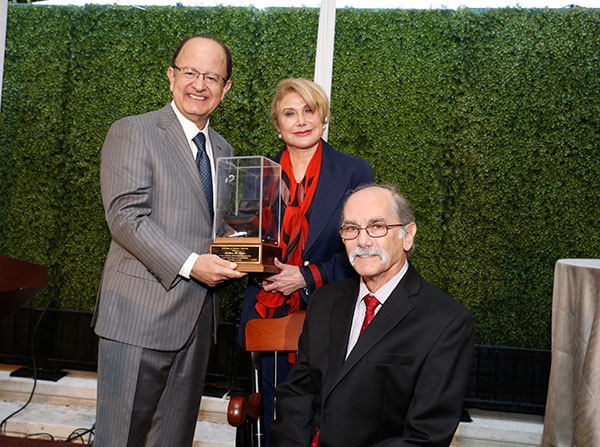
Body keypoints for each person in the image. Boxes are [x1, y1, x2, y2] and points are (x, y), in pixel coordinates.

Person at [93, 35, 245, 447]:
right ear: (171, 75)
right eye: (191, 72)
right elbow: (125, 217)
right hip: (138, 318)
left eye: (212, 76)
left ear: (226, 87)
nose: (200, 84)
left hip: (196, 324)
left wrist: (243, 244)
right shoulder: (133, 131)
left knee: (172, 439)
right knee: (121, 438)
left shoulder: (223, 150)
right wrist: (194, 264)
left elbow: (215, 228)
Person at [270, 184, 475, 447]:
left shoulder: (446, 323)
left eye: (377, 227)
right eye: (351, 228)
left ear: (408, 235)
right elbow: (298, 393)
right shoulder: (324, 301)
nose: (363, 241)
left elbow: (426, 437)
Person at [237, 78, 374, 444]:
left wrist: (307, 276)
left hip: (328, 312)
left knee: (326, 414)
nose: (301, 120)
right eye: (289, 113)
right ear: (277, 125)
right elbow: (242, 239)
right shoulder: (256, 174)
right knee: (274, 416)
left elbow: (364, 248)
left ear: (323, 116)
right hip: (268, 312)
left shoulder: (354, 171)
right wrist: (258, 266)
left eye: (308, 110)